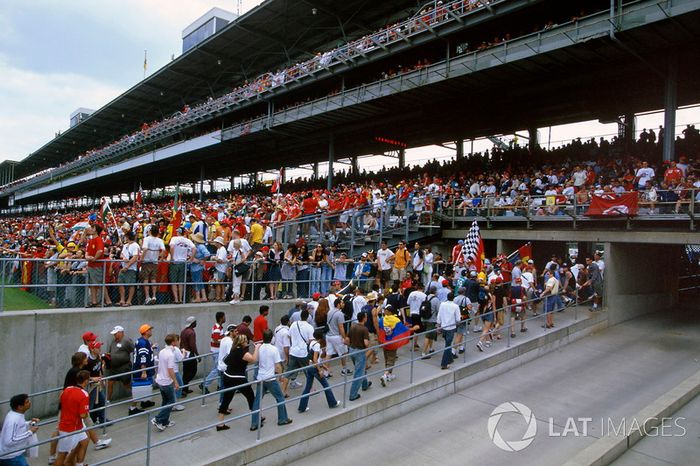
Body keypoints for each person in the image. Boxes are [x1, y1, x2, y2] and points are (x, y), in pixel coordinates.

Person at [250, 329, 292, 430]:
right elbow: (278, 366)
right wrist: (281, 376)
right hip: (270, 378)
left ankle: (254, 423)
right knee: (280, 397)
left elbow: (256, 360)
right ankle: (282, 419)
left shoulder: (259, 348)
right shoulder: (274, 349)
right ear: (272, 338)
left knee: (257, 400)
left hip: (261, 377)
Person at [216, 334, 259, 431]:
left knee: (226, 399)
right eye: (246, 341)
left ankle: (220, 424)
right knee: (251, 396)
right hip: (238, 378)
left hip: (227, 376)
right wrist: (257, 348)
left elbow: (227, 360)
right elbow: (254, 359)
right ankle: (256, 418)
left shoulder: (233, 349)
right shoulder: (242, 352)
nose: (247, 343)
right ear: (242, 342)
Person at [298, 328, 342, 412]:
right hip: (314, 368)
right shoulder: (317, 345)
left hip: (309, 366)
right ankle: (332, 403)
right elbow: (315, 359)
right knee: (326, 385)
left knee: (308, 387)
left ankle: (302, 407)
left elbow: (313, 359)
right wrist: (320, 370)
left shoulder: (312, 343)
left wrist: (324, 366)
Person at [55, 370, 91, 466]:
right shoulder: (84, 394)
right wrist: (87, 413)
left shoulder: (67, 389)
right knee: (62, 454)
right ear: (86, 381)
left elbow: (61, 399)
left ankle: (78, 464)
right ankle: (70, 463)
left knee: (84, 441)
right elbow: (83, 415)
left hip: (68, 424)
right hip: (71, 427)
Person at [104, 326, 138, 414]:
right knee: (110, 382)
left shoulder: (126, 340)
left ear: (121, 332)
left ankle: (137, 395)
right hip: (113, 367)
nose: (115, 335)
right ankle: (108, 400)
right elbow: (110, 351)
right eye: (114, 334)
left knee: (126, 384)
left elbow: (134, 350)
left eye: (116, 333)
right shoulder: (113, 341)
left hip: (124, 366)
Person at [0, 394, 39, 466]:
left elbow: (19, 426)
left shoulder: (16, 414)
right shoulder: (14, 420)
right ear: (20, 407)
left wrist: (29, 423)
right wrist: (30, 432)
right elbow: (9, 441)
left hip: (12, 454)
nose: (30, 402)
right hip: (11, 456)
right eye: (27, 402)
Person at [151, 334, 180, 432]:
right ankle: (158, 419)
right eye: (177, 340)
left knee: (165, 401)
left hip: (160, 380)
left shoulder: (162, 351)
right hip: (167, 382)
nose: (178, 341)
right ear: (173, 342)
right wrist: (175, 381)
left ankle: (164, 421)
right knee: (171, 401)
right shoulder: (171, 355)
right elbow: (170, 369)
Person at [287, 309, 314, 390]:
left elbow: (289, 336)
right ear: (308, 317)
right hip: (303, 352)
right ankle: (311, 389)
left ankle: (284, 390)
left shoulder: (294, 324)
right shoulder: (309, 327)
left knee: (289, 372)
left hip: (293, 351)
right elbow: (311, 340)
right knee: (307, 372)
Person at [347, 311, 372, 401]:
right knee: (358, 373)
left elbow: (347, 339)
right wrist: (369, 344)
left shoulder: (353, 327)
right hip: (359, 352)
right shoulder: (364, 329)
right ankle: (353, 395)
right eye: (366, 316)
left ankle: (365, 384)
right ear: (364, 318)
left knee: (360, 368)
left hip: (352, 350)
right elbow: (366, 343)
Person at [132, 324, 157, 412]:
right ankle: (132, 408)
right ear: (146, 332)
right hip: (141, 370)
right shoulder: (143, 343)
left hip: (144, 368)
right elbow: (143, 357)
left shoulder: (142, 341)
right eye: (149, 329)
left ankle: (144, 401)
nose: (151, 331)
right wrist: (144, 371)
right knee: (139, 388)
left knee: (145, 386)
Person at [140, 225, 165, 305]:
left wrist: (142, 258)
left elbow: (145, 248)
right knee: (153, 279)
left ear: (150, 231)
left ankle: (147, 297)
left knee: (146, 279)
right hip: (155, 262)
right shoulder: (160, 240)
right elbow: (163, 250)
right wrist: (160, 259)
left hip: (146, 261)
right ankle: (154, 296)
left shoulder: (146, 239)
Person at [203, 312, 226, 393]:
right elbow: (215, 340)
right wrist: (224, 342)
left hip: (216, 351)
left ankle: (220, 386)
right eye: (224, 317)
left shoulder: (218, 327)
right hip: (217, 351)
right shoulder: (217, 328)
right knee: (217, 369)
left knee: (218, 369)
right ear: (220, 318)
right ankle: (204, 384)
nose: (225, 318)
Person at [327, 298, 351, 375]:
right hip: (336, 336)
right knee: (343, 353)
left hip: (329, 335)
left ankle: (325, 372)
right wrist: (345, 337)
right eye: (342, 303)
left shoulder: (330, 312)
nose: (343, 304)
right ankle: (344, 369)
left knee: (329, 353)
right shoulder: (340, 314)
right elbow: (341, 327)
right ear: (338, 304)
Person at [436, 293, 460, 370]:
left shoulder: (442, 304)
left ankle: (449, 359)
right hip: (451, 327)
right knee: (448, 345)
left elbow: (439, 315)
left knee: (447, 343)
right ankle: (444, 363)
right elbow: (458, 319)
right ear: (453, 298)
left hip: (444, 326)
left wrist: (439, 324)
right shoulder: (455, 306)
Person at [117, 231, 140, 307]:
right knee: (120, 283)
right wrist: (124, 258)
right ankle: (122, 299)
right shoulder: (125, 245)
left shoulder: (135, 245)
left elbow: (135, 257)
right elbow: (121, 254)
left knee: (131, 284)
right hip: (123, 266)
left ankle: (129, 300)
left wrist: (127, 266)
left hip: (131, 268)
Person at [180, 316, 199, 394]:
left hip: (184, 353)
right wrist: (197, 355)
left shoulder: (183, 331)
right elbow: (192, 345)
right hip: (190, 354)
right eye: (195, 322)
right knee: (193, 370)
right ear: (192, 323)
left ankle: (185, 388)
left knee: (186, 371)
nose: (196, 323)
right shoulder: (191, 332)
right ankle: (184, 386)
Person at [273, 315, 291, 396]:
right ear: (288, 322)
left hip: (277, 353)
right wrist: (287, 357)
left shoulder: (277, 328)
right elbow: (286, 346)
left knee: (280, 372)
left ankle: (284, 390)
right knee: (286, 373)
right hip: (283, 354)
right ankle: (283, 391)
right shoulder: (286, 332)